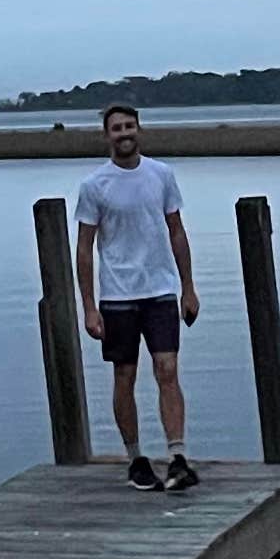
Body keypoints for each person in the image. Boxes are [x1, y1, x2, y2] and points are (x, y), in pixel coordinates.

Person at [72, 102, 200, 490]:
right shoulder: (95, 186)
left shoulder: (161, 175)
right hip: (118, 296)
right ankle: (135, 458)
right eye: (116, 128)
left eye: (130, 126)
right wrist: (90, 307)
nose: (124, 133)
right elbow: (84, 249)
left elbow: (176, 231)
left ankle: (177, 456)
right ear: (106, 135)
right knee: (124, 374)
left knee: (167, 370)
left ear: (139, 129)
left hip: (160, 290)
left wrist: (188, 288)